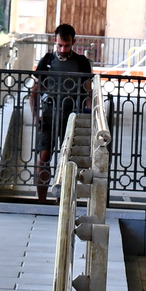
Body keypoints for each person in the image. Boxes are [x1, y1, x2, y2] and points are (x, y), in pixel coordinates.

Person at [29, 23, 93, 202]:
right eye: (59, 45)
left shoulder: (81, 63)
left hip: (72, 116)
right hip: (48, 115)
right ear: (54, 41)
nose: (63, 49)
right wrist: (36, 116)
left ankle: (62, 200)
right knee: (44, 157)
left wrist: (90, 114)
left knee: (67, 160)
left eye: (67, 45)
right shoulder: (47, 61)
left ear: (74, 41)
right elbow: (34, 92)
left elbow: (88, 91)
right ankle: (41, 201)